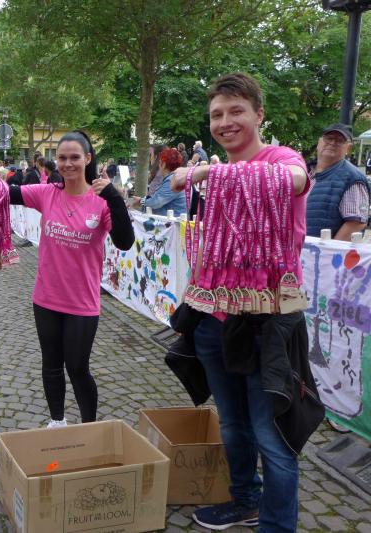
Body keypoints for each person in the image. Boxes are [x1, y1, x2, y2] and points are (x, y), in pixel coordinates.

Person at [170, 72, 310, 533]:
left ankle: (276, 525)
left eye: (236, 111)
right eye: (217, 114)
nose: (225, 122)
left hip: (269, 322)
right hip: (215, 317)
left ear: (258, 114)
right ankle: (245, 500)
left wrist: (205, 173)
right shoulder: (213, 173)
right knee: (231, 423)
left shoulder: (281, 159)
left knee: (272, 435)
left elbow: (295, 180)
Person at [0, 130, 134, 427]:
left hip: (82, 302)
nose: (68, 163)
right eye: (62, 158)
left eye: (74, 157)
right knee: (51, 365)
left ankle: (90, 428)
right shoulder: (48, 193)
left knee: (77, 368)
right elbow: (6, 192)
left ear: (87, 158)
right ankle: (57, 421)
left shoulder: (101, 201)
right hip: (46, 298)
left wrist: (114, 198)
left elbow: (125, 241)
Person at [306, 124, 370, 240]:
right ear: (319, 142)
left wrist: (328, 249)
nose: (332, 143)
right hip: (293, 247)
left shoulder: (352, 177)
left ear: (348, 148)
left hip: (318, 250)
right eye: (329, 138)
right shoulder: (304, 172)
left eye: (340, 140)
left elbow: (356, 223)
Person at [140, 148, 185, 215]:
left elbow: (155, 203)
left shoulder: (171, 181)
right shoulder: (175, 178)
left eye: (160, 162)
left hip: (172, 220)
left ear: (163, 164)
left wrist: (141, 201)